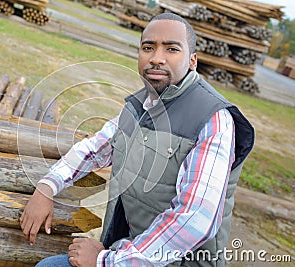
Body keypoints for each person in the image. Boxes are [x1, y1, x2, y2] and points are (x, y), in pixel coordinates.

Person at [20, 13, 254, 267]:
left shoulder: (213, 118)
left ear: (192, 61)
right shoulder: (140, 105)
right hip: (128, 252)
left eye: (172, 49)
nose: (156, 58)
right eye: (148, 47)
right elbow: (94, 149)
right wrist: (47, 187)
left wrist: (106, 261)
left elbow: (195, 219)